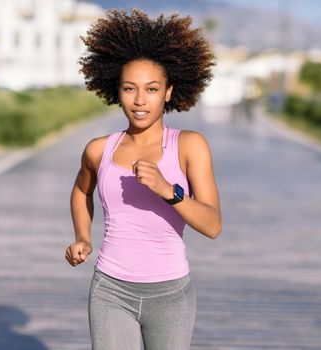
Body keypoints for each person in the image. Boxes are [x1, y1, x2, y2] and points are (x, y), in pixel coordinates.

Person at [65, 9, 222, 350]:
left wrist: (170, 191)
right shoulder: (98, 150)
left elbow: (212, 225)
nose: (139, 100)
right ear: (116, 91)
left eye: (151, 89)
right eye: (129, 89)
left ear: (168, 92)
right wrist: (82, 237)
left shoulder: (189, 146)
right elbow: (81, 191)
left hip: (171, 294)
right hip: (110, 290)